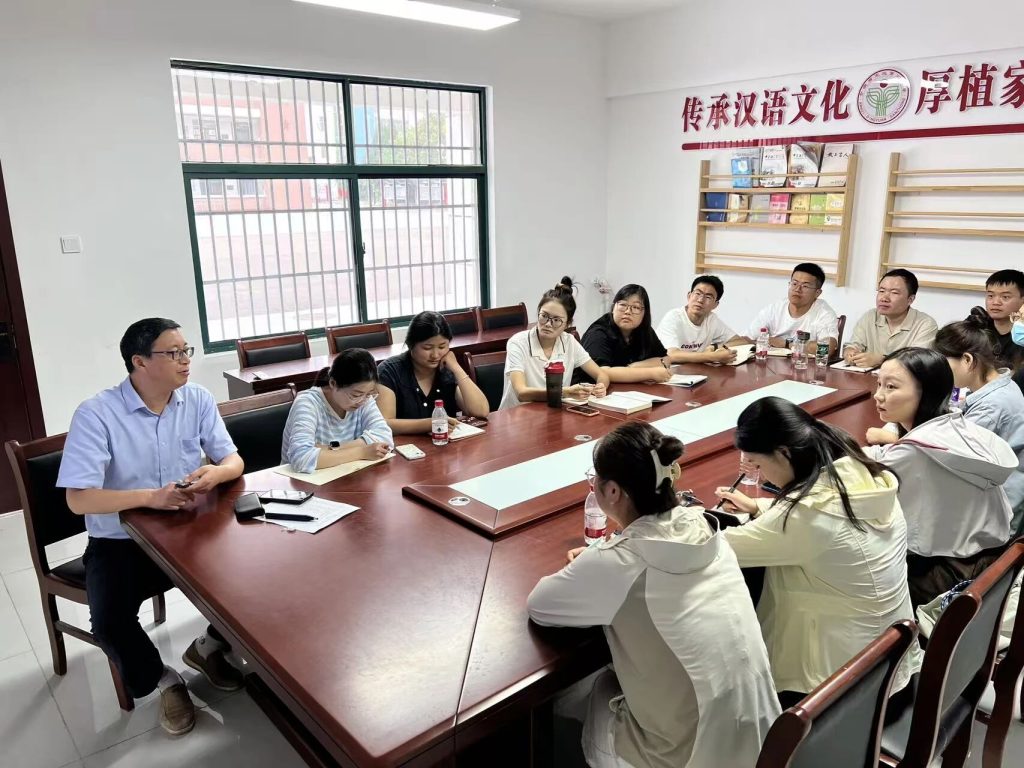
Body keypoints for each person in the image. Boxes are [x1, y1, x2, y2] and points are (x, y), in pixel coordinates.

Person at [527, 422, 780, 768]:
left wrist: (596, 558)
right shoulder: (705, 525)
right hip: (762, 741)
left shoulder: (620, 562)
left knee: (587, 689)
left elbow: (540, 605)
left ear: (612, 491)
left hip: (683, 760)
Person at [56, 318, 245, 736]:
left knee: (255, 575)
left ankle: (208, 647)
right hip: (120, 540)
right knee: (109, 622)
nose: (185, 360)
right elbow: (78, 499)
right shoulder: (97, 414)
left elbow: (233, 460)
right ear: (139, 361)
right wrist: (150, 497)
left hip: (188, 528)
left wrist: (216, 473)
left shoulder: (196, 399)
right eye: (173, 353)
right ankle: (164, 679)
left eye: (186, 350)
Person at [715, 397, 923, 703]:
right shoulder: (866, 475)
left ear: (784, 453)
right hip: (890, 664)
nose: (763, 475)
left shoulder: (807, 517)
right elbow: (822, 524)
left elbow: (717, 550)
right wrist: (760, 506)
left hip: (839, 692)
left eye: (759, 464)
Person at [864, 347, 1016, 606]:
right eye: (879, 384)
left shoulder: (913, 452)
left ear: (927, 392)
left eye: (891, 387)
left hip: (944, 577)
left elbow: (871, 499)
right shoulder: (956, 425)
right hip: (990, 561)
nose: (878, 395)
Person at [932, 308, 1024, 536]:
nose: (942, 372)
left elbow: (950, 456)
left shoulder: (993, 405)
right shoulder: (1001, 384)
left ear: (967, 360)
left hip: (996, 516)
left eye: (945, 364)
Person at [500, 277, 610, 409]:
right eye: (544, 316)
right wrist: (565, 392)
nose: (548, 324)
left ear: (568, 324)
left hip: (553, 413)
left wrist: (600, 387)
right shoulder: (518, 342)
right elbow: (521, 393)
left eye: (556, 320)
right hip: (517, 415)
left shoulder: (569, 342)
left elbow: (601, 375)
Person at [281, 349, 394, 473]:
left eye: (369, 394)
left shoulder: (364, 399)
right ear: (333, 383)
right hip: (300, 481)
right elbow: (301, 458)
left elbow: (385, 437)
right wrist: (362, 452)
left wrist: (327, 449)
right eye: (355, 395)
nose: (362, 401)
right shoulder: (307, 403)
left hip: (344, 474)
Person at [376, 311, 490, 434]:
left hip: (446, 443)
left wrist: (457, 368)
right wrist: (429, 424)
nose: (435, 355)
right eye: (427, 348)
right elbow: (385, 423)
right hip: (405, 445)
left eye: (442, 347)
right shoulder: (389, 371)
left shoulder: (447, 370)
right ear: (410, 345)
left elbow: (481, 411)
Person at [577, 283, 672, 384]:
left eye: (636, 307)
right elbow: (601, 373)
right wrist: (650, 373)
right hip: (591, 390)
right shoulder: (598, 333)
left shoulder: (644, 330)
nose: (627, 311)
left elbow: (666, 359)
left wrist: (634, 367)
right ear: (613, 308)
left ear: (645, 313)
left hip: (628, 390)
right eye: (622, 305)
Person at [842, 268, 938, 369]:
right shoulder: (870, 316)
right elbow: (854, 344)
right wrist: (850, 352)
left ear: (910, 299)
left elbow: (918, 362)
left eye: (894, 293)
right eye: (881, 291)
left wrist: (881, 360)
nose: (884, 298)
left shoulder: (925, 324)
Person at [747, 263, 839, 357]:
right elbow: (749, 338)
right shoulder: (775, 309)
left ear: (817, 293)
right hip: (771, 362)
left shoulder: (824, 313)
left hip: (804, 364)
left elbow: (828, 348)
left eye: (805, 286)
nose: (797, 289)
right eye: (794, 283)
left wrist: (786, 344)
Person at [655, 275, 746, 364]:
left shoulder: (711, 319)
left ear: (715, 304)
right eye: (697, 294)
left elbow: (740, 342)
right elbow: (671, 355)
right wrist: (712, 357)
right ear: (689, 296)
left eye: (708, 297)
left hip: (694, 370)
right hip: (664, 370)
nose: (700, 300)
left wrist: (715, 347)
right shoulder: (673, 317)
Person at [983, 269, 1024, 373]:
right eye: (990, 296)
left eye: (1005, 297)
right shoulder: (978, 325)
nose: (996, 302)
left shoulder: (1021, 335)